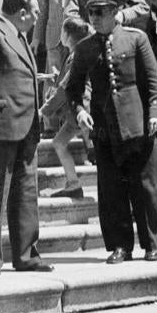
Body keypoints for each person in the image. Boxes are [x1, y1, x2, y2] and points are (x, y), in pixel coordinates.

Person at [67, 0, 157, 264]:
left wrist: (156, 114)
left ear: (114, 12)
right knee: (111, 190)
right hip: (105, 129)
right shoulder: (84, 48)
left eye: (100, 13)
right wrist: (79, 111)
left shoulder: (136, 39)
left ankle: (150, 243)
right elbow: (73, 89)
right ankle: (121, 246)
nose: (94, 18)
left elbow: (154, 81)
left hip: (139, 127)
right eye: (91, 13)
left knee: (144, 188)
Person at [0, 0, 54, 275]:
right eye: (35, 12)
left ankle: (26, 255)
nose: (37, 18)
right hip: (0, 127)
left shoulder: (19, 36)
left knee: (26, 193)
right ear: (22, 12)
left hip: (26, 126)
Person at [31, 0, 83, 133]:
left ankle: (75, 124)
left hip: (76, 37)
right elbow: (42, 11)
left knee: (75, 78)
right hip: (53, 38)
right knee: (52, 80)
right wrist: (36, 38)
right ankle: (50, 126)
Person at [39, 17, 94, 199]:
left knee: (94, 150)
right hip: (76, 112)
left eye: (62, 32)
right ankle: (73, 184)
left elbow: (64, 89)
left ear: (68, 36)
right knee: (59, 143)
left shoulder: (76, 56)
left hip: (81, 110)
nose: (60, 35)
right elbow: (66, 80)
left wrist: (43, 111)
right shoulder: (74, 54)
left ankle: (74, 184)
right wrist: (51, 77)